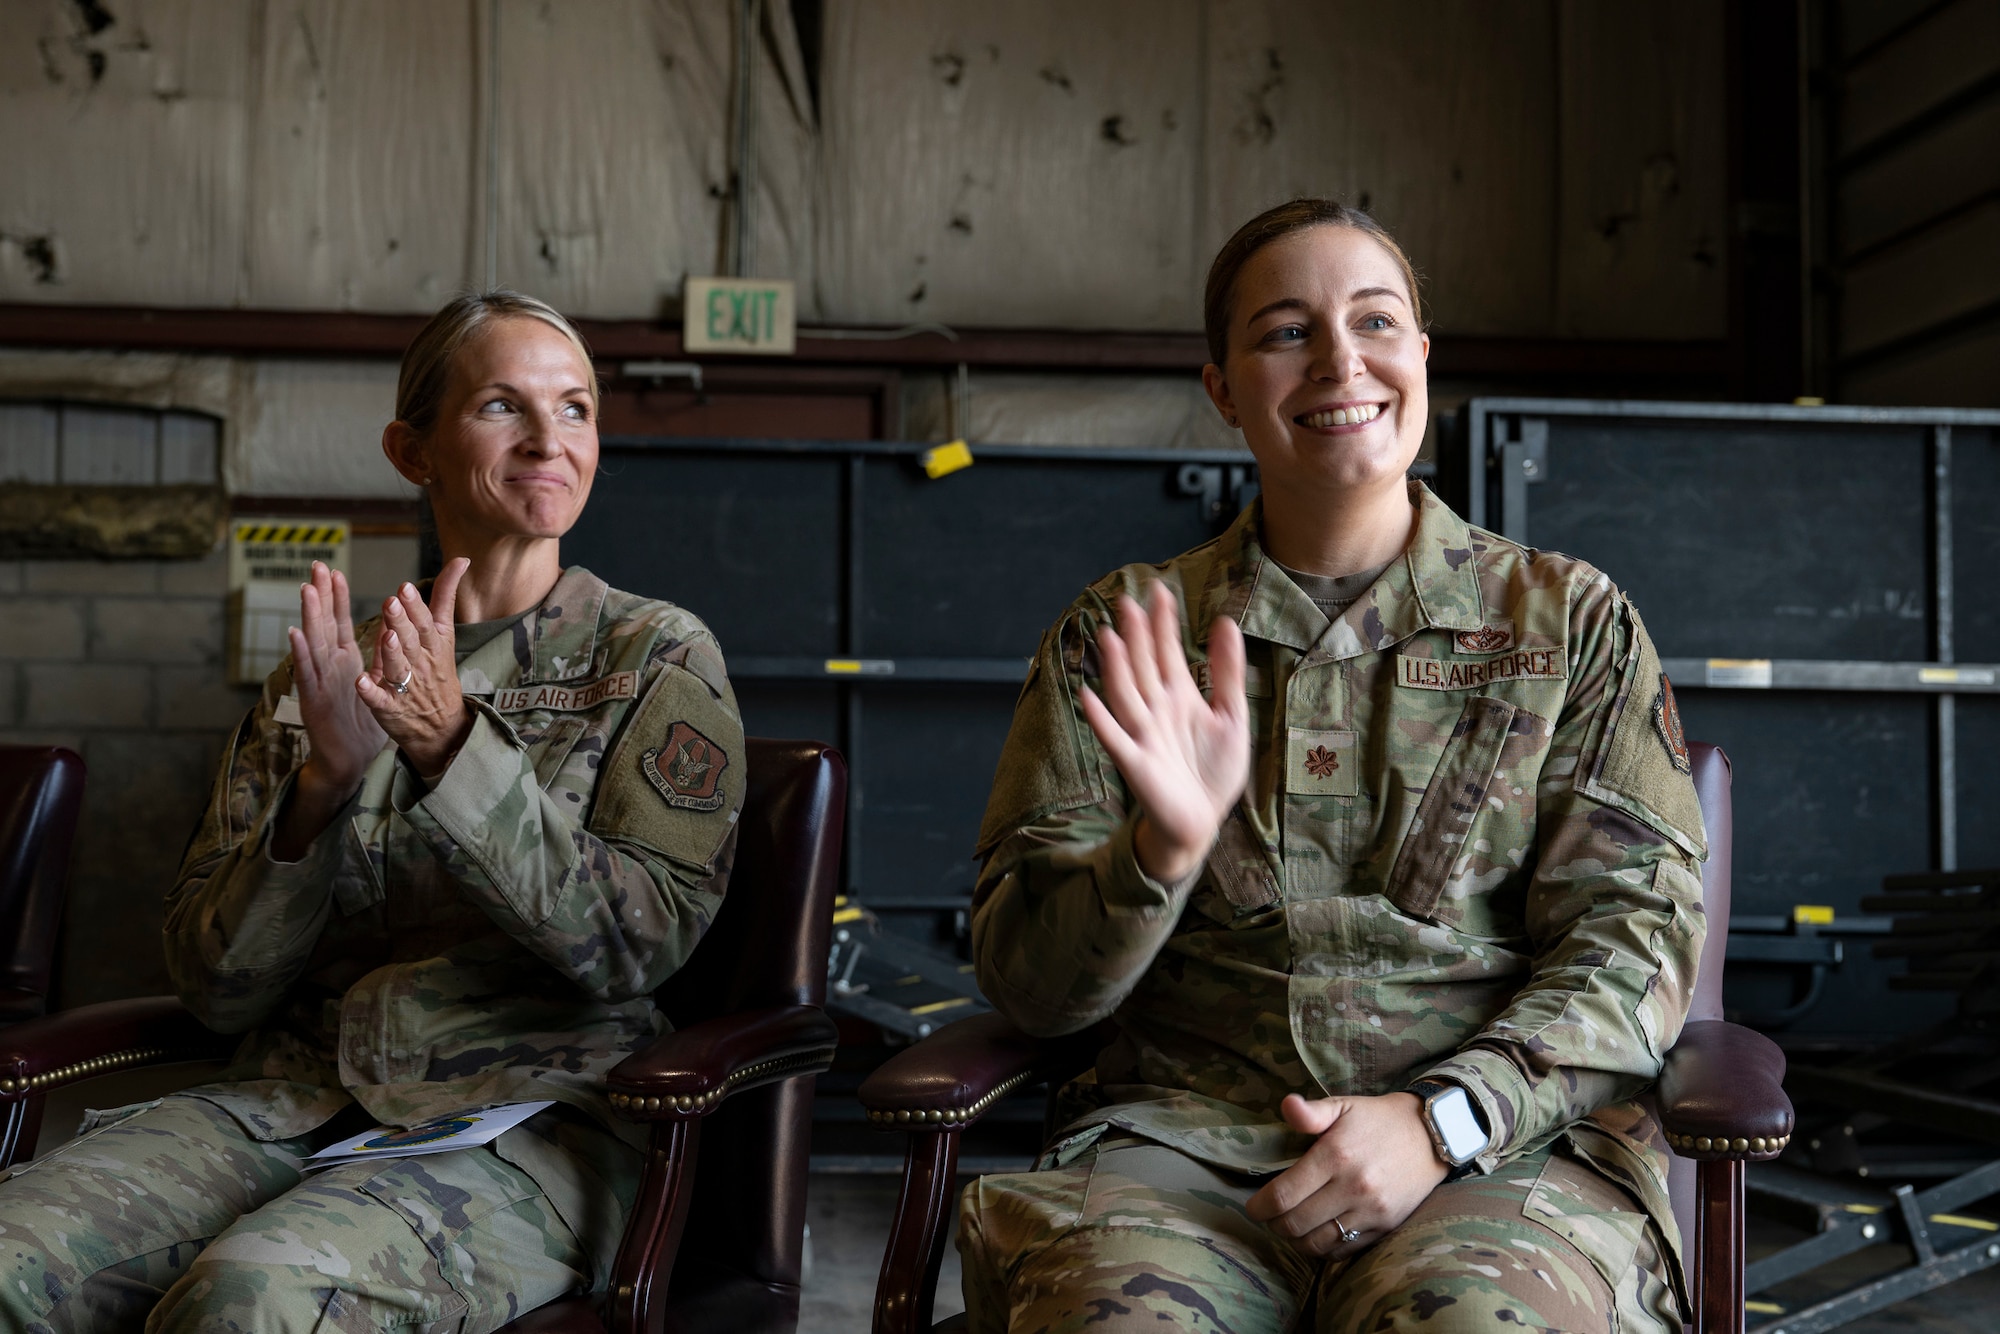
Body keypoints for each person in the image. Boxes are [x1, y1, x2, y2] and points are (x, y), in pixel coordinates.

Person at [958, 200, 1707, 1333]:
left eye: (1375, 321)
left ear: (1418, 356)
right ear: (1221, 388)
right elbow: (1029, 988)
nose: (1338, 360)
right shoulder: (1125, 632)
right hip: (1180, 1153)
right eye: (1283, 332)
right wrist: (1152, 854)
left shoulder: (1565, 621)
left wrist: (1440, 1119)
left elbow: (1631, 946)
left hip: (1499, 1159)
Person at [0, 291, 746, 1332]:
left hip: (521, 1121)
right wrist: (320, 789)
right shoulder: (328, 674)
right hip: (292, 1099)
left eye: (574, 408)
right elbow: (214, 988)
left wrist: (452, 751)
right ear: (412, 449)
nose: (549, 439)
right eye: (502, 405)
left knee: (249, 1298)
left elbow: (634, 946)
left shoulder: (652, 656)